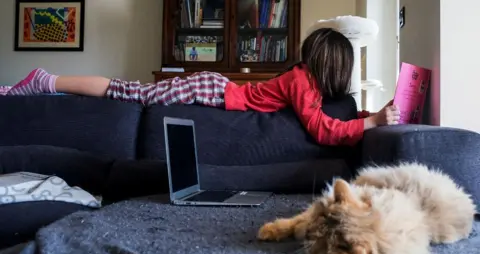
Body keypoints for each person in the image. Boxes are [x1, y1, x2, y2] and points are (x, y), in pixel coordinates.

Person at [2, 28, 400, 146]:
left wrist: (371, 116)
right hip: (210, 90)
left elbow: (331, 116)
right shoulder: (301, 80)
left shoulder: (308, 84)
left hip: (216, 88)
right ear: (334, 65)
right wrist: (370, 123)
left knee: (131, 92)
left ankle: (49, 86)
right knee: (130, 93)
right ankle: (46, 80)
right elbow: (321, 129)